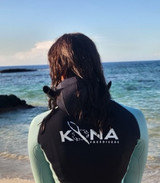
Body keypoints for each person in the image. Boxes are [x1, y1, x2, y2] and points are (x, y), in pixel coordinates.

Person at [28, 33, 148, 183]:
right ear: (96, 65)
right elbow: (133, 181)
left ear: (58, 70)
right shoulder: (135, 118)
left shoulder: (40, 125)